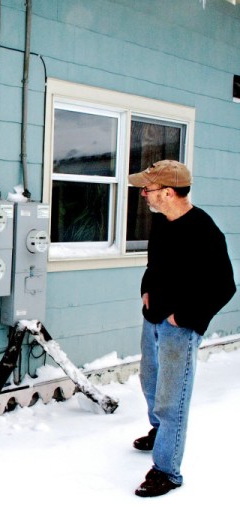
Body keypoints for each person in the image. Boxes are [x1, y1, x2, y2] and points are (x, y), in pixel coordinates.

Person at [127, 160, 236, 497]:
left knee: (171, 399)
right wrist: (146, 290)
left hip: (179, 328)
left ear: (169, 193)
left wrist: (184, 316)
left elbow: (224, 287)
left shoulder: (205, 232)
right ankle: (160, 433)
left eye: (149, 189)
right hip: (153, 319)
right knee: (150, 382)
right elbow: (153, 264)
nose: (144, 194)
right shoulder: (161, 224)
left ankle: (167, 471)